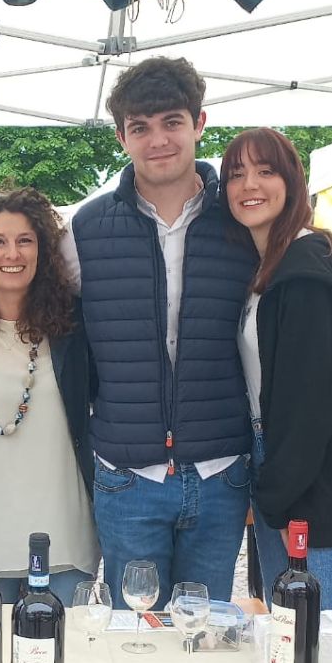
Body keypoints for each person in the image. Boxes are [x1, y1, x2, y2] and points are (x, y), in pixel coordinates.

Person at [63, 56, 257, 609]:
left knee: (205, 631)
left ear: (199, 124)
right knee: (134, 637)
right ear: (122, 137)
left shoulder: (242, 223)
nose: (158, 140)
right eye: (140, 127)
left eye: (172, 122)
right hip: (128, 476)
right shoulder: (86, 230)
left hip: (220, 471)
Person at [222, 128, 332, 609]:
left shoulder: (305, 271)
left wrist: (280, 494)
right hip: (281, 463)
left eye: (265, 171)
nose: (249, 185)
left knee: (321, 631)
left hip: (317, 480)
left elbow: (312, 402)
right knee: (287, 628)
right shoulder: (268, 266)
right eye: (236, 174)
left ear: (292, 182)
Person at [0, 189, 96, 604]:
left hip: (64, 524)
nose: (13, 253)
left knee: (65, 640)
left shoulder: (74, 326)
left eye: (25, 240)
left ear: (42, 251)